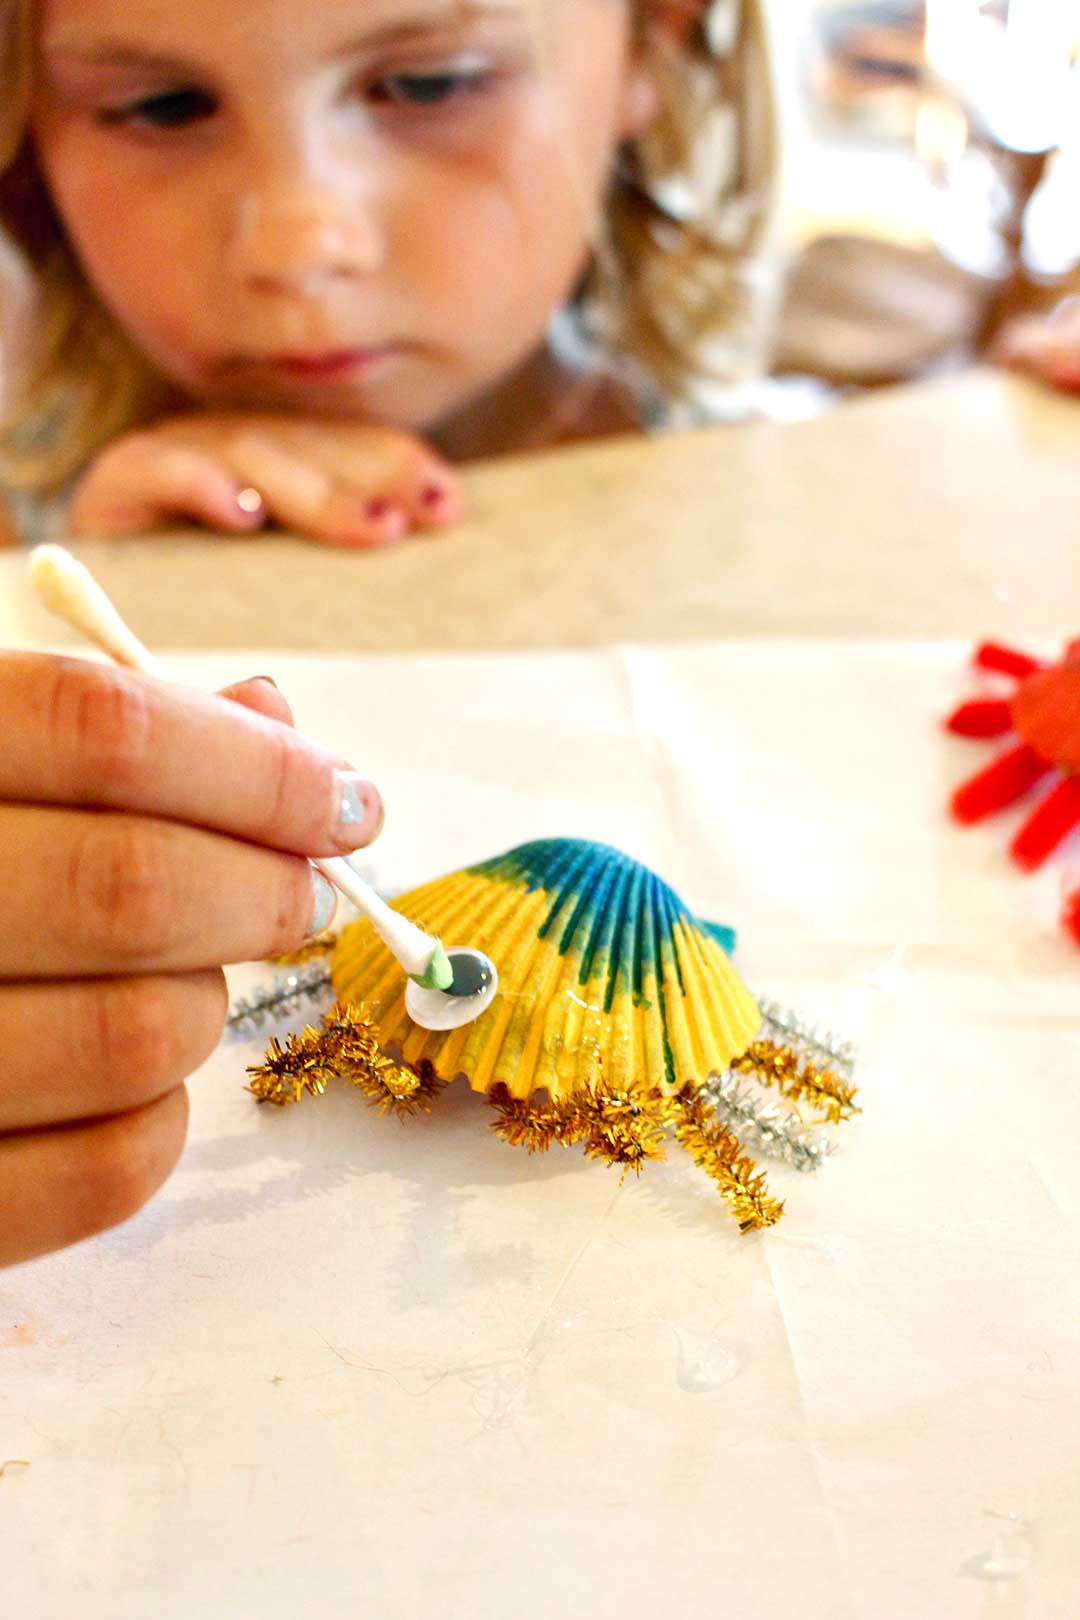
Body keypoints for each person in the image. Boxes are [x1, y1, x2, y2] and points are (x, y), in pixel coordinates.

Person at [0, 0, 777, 547]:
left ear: (653, 37)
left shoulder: (778, 505)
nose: (298, 251)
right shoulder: (23, 518)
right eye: (165, 107)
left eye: (429, 85)